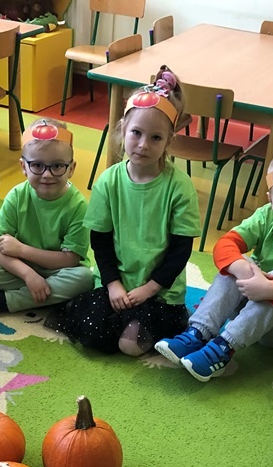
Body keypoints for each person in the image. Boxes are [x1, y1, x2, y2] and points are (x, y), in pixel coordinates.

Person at [46, 66, 201, 356]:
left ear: (169, 141)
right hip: (116, 284)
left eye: (156, 138)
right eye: (136, 133)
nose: (143, 145)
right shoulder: (108, 181)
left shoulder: (179, 187)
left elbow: (181, 249)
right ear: (122, 130)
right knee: (93, 333)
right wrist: (113, 284)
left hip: (160, 292)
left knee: (129, 345)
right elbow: (101, 241)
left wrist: (150, 288)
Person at [154, 148, 273, 381]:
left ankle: (223, 348)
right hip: (251, 309)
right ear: (270, 200)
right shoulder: (266, 216)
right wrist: (242, 269)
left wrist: (270, 289)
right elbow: (225, 244)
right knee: (239, 261)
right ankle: (198, 332)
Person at [0, 118, 93, 314]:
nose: (47, 175)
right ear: (23, 167)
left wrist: (22, 250)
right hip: (20, 267)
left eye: (57, 166)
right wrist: (28, 275)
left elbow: (70, 259)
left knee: (84, 279)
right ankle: (44, 293)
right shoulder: (17, 195)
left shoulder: (79, 206)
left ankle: (7, 301)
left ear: (71, 168)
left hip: (58, 269)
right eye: (37, 165)